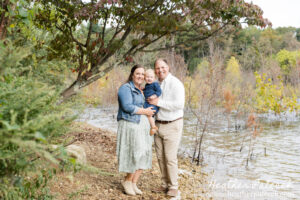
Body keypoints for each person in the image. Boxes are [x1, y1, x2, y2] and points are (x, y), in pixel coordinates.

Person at [147, 58, 185, 197]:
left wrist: (159, 102)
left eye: (162, 67)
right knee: (160, 157)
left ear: (168, 67)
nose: (160, 70)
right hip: (158, 124)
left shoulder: (176, 84)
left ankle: (174, 186)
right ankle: (164, 184)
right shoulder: (156, 84)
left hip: (172, 124)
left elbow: (179, 104)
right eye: (157, 68)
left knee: (170, 157)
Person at [116, 64, 156, 196]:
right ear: (132, 74)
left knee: (144, 153)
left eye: (142, 74)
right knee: (135, 153)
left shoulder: (142, 90)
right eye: (137, 73)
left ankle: (134, 182)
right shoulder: (125, 88)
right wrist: (145, 111)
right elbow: (127, 107)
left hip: (142, 125)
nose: (140, 76)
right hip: (130, 123)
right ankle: (127, 181)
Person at [143, 69, 162, 136]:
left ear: (154, 78)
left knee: (149, 114)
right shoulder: (146, 85)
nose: (149, 79)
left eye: (151, 77)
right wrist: (143, 89)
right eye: (147, 77)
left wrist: (154, 96)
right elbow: (146, 91)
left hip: (153, 104)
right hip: (147, 103)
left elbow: (159, 92)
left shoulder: (155, 84)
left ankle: (153, 127)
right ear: (145, 78)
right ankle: (150, 127)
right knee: (146, 114)